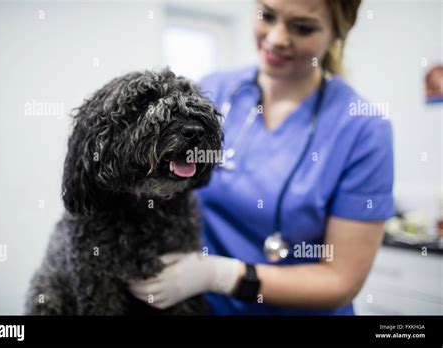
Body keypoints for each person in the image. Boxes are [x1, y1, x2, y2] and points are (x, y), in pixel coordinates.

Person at [129, 0, 394, 315]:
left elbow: (340, 280)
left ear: (339, 32)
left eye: (303, 27)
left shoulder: (362, 129)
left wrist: (219, 275)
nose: (277, 37)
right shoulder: (214, 91)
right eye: (267, 15)